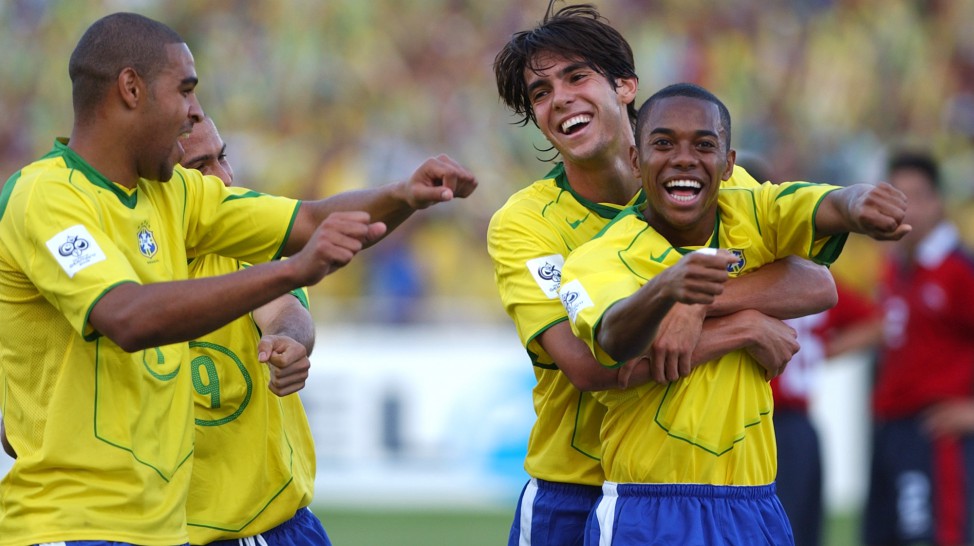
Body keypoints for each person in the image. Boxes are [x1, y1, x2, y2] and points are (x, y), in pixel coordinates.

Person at [0, 12, 476, 546]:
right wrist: (294, 270)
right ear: (131, 89)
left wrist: (402, 194)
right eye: (184, 92)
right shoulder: (47, 196)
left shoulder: (171, 194)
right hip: (71, 527)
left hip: (158, 530)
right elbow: (126, 316)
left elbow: (309, 220)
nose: (191, 115)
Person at [488, 4, 837, 545]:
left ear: (625, 86)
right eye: (540, 93)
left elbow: (815, 282)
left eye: (576, 76)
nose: (559, 98)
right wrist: (742, 327)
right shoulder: (524, 224)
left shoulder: (701, 170)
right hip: (573, 487)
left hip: (699, 488)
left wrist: (695, 303)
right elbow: (589, 365)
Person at [558, 82, 909, 545]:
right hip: (648, 506)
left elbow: (824, 242)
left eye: (704, 145)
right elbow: (615, 343)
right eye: (663, 143)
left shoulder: (754, 214)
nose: (684, 158)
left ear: (728, 164)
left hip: (754, 504)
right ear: (636, 159)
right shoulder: (598, 258)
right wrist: (674, 291)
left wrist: (858, 202)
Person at [178, 117, 323, 544]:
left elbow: (285, 310)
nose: (223, 179)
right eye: (200, 167)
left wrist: (288, 342)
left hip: (262, 528)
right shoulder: (111, 267)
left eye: (223, 157)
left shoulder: (243, 235)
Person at [863, 150, 974, 546]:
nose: (906, 208)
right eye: (896, 196)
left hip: (934, 436)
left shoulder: (959, 270)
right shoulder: (896, 266)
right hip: (890, 431)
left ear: (937, 201)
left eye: (916, 196)